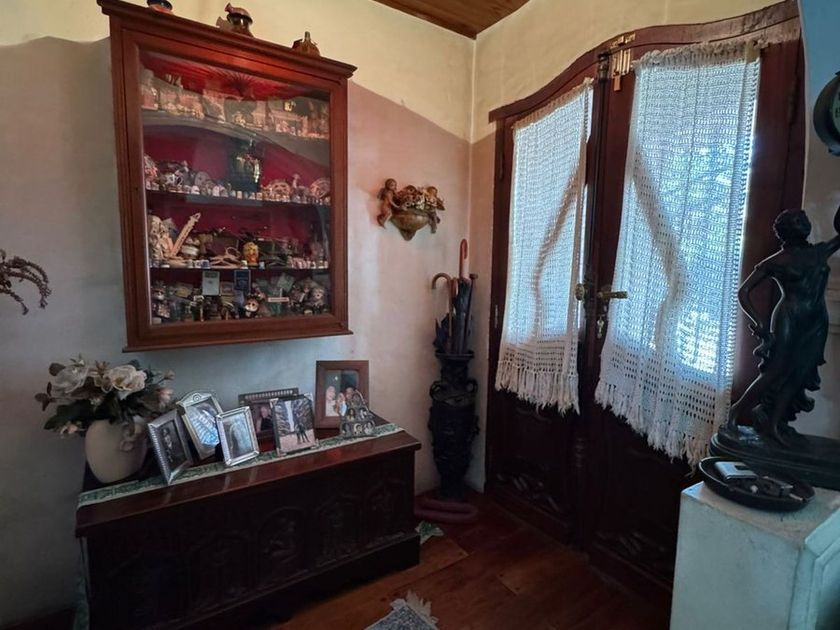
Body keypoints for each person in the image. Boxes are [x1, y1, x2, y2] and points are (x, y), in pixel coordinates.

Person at [725, 206, 840, 445]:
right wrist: (759, 323)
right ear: (787, 230)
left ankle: (774, 424)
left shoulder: (819, 252)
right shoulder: (777, 261)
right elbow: (744, 292)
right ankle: (735, 413)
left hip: (816, 320)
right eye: (798, 221)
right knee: (775, 371)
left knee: (800, 372)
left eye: (804, 219)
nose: (804, 223)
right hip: (790, 318)